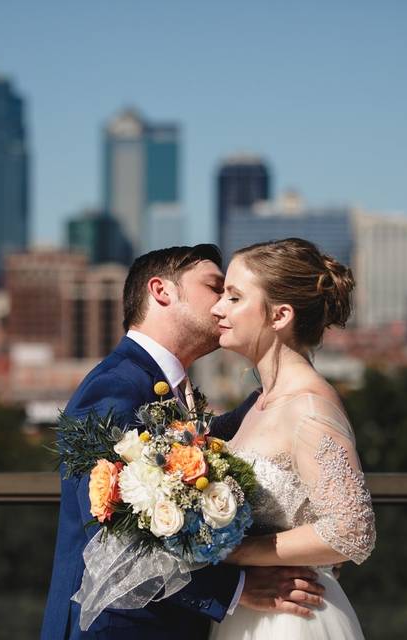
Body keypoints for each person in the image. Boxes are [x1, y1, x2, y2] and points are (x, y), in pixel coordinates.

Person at [41, 244, 327, 640]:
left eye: (233, 296)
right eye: (215, 288)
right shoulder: (115, 387)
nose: (223, 305)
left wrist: (274, 393)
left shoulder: (166, 385)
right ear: (161, 291)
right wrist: (237, 589)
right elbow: (114, 536)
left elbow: (218, 457)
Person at [208, 238, 376, 640]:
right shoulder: (260, 404)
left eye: (234, 297)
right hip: (252, 611)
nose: (217, 308)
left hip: (293, 619)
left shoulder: (310, 408)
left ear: (280, 315)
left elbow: (353, 529)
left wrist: (239, 553)